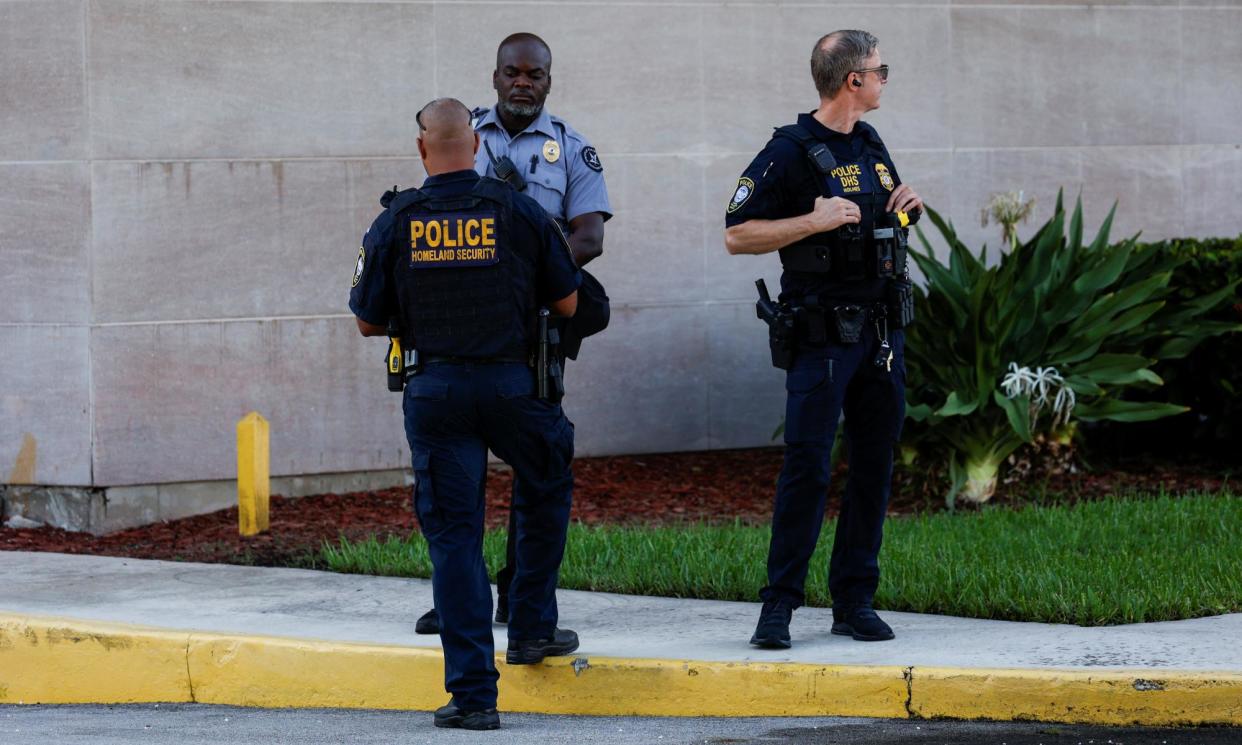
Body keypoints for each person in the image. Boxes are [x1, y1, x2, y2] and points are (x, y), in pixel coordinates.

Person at [350, 98, 582, 730]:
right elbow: (567, 302)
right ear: (475, 146)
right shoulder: (520, 210)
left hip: (438, 393)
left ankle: (475, 697)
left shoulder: (399, 219)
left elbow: (368, 319)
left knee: (455, 537)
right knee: (545, 477)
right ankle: (532, 626)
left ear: (423, 150)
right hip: (514, 388)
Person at [723, 30, 923, 649]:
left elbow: (886, 217)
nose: (885, 77)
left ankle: (854, 600)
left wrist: (910, 208)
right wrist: (813, 219)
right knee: (807, 468)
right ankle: (778, 607)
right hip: (823, 335)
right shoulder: (788, 151)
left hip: (881, 333)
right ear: (851, 80)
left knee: (873, 467)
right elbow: (737, 234)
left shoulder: (869, 141)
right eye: (878, 69)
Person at [415, 31, 611, 637]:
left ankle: (519, 597)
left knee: (538, 470)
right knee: (455, 476)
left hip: (534, 329)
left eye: (535, 74)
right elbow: (432, 213)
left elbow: (589, 238)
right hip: (465, 325)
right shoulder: (461, 134)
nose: (523, 82)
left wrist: (523, 281)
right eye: (512, 72)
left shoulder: (572, 149)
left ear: (548, 81)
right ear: (495, 76)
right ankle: (457, 599)